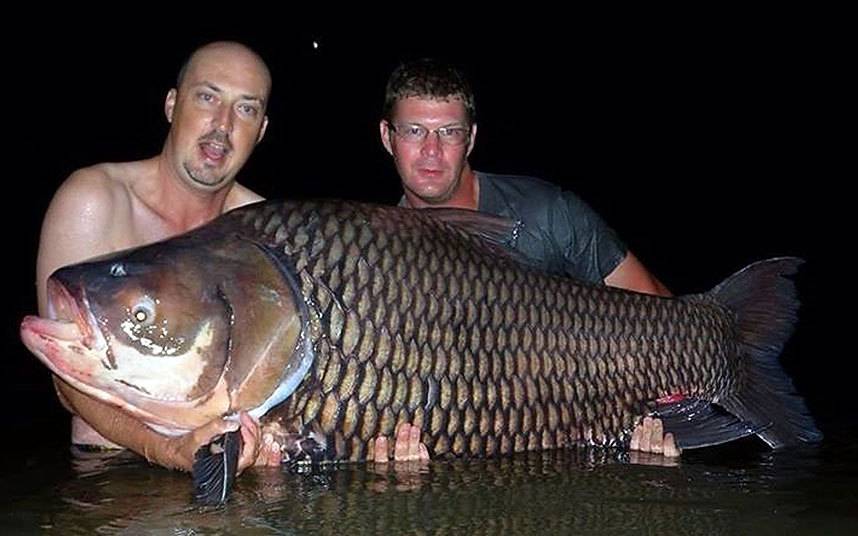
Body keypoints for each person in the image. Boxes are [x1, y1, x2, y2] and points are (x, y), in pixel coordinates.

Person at [374, 58, 679, 460]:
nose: (431, 151)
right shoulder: (373, 257)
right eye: (414, 131)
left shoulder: (548, 213)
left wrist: (660, 414)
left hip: (576, 436)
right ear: (387, 136)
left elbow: (664, 317)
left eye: (449, 132)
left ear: (471, 138)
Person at [36, 41, 273, 473]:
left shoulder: (265, 233)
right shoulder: (95, 200)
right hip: (109, 473)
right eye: (207, 97)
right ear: (171, 104)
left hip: (230, 475)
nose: (222, 125)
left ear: (261, 130)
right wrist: (165, 451)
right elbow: (66, 380)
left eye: (245, 109)